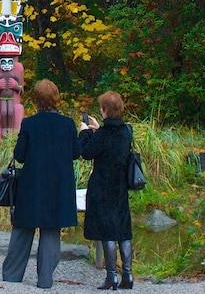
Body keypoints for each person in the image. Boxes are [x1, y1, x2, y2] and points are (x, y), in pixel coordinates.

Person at [2, 79, 80, 289]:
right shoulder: (68, 124)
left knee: (23, 228)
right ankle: (45, 280)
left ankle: (11, 276)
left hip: (32, 184)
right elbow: (76, 153)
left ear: (36, 100)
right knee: (51, 230)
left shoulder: (29, 123)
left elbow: (19, 156)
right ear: (56, 98)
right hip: (58, 186)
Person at [79, 90, 135, 290]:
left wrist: (85, 131)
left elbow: (86, 152)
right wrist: (97, 129)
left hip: (102, 186)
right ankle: (127, 275)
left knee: (107, 231)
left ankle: (111, 275)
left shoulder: (102, 134)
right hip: (121, 186)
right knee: (123, 230)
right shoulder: (127, 130)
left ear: (104, 110)